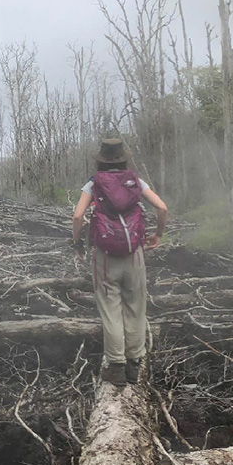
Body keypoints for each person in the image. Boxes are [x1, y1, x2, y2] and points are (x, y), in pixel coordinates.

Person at [71, 138, 168, 386]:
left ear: (100, 160)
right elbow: (162, 207)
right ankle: (134, 363)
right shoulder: (135, 181)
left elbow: (78, 215)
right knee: (136, 306)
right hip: (134, 252)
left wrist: (77, 242)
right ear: (123, 158)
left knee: (110, 308)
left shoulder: (93, 183)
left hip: (105, 256)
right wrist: (158, 234)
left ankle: (116, 367)